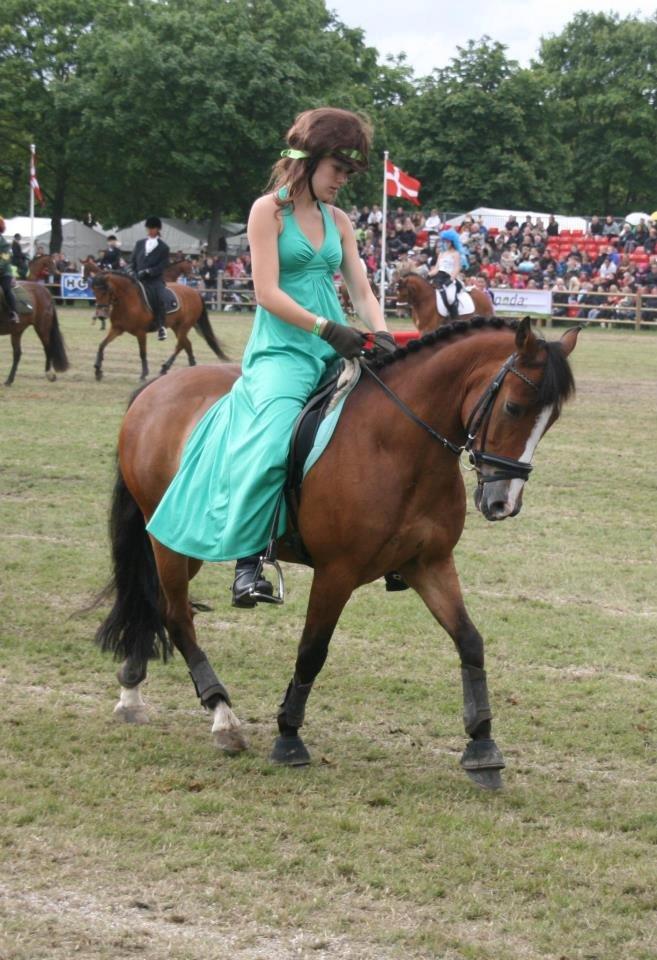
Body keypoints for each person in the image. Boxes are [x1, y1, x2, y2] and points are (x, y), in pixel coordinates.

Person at [146, 107, 395, 607]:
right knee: (275, 437)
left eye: (348, 174)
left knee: (387, 423)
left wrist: (382, 332)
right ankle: (251, 559)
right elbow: (266, 293)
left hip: (337, 345)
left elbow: (361, 289)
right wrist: (326, 328)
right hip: (283, 350)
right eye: (338, 170)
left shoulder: (339, 220)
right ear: (309, 160)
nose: (342, 181)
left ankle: (395, 547)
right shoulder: (268, 212)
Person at [130, 217, 170, 340]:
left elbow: (162, 266)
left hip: (154, 280)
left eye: (152, 228)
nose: (150, 230)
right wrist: (131, 270)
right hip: (138, 278)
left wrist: (149, 271)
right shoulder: (139, 243)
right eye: (148, 228)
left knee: (160, 298)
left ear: (158, 229)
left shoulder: (164, 247)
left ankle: (161, 327)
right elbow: (133, 261)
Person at [427, 228, 468, 319]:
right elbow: (436, 269)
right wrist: (428, 275)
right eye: (444, 241)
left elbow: (457, 268)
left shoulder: (456, 254)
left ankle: (455, 319)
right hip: (438, 277)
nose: (445, 243)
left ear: (452, 242)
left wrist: (451, 280)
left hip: (449, 278)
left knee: (450, 298)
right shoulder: (441, 254)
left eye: (447, 241)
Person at [0, 217, 20, 323]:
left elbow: (5, 259)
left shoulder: (5, 244)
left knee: (6, 289)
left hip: (4, 273)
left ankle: (14, 312)